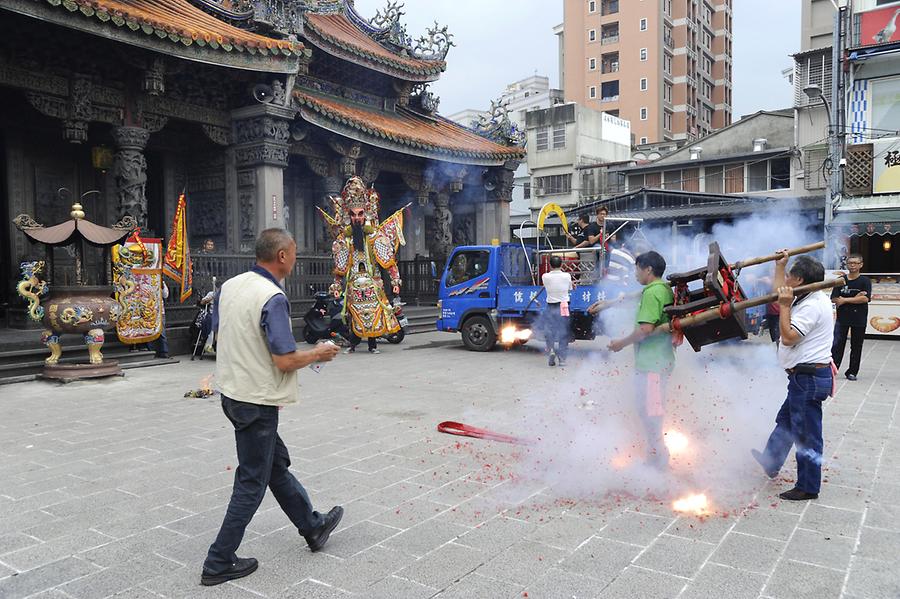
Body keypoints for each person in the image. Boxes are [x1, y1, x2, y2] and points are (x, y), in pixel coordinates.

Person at [201, 228, 343, 586]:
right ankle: (218, 561)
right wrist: (319, 353)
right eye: (293, 252)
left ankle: (312, 527)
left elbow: (222, 333)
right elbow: (283, 359)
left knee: (274, 465)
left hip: (233, 391)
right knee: (252, 481)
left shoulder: (230, 286)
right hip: (257, 398)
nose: (295, 259)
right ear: (282, 256)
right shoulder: (272, 296)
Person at [752, 253, 833, 501]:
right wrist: (780, 265)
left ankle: (808, 487)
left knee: (806, 433)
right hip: (802, 377)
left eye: (788, 275)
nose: (785, 280)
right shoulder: (807, 295)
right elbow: (780, 292)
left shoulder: (811, 306)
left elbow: (788, 337)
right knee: (786, 421)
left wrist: (785, 307)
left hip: (808, 378)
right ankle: (771, 460)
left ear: (799, 280)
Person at [321, 176, 406, 355]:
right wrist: (336, 284)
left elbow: (389, 261)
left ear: (366, 214)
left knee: (374, 314)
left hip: (373, 285)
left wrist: (395, 281)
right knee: (353, 316)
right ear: (348, 216)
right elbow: (339, 267)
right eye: (353, 215)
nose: (357, 218)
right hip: (353, 285)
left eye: (360, 214)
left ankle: (372, 346)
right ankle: (353, 345)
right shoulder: (344, 240)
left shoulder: (376, 237)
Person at [608, 251, 675, 468]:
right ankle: (655, 453)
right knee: (648, 409)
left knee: (651, 412)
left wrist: (621, 343)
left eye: (637, 268)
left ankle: (658, 457)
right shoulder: (663, 289)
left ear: (648, 269)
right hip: (658, 362)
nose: (635, 273)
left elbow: (646, 328)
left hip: (652, 365)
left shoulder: (652, 293)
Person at [831, 253, 871, 381]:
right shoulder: (840, 280)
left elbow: (865, 298)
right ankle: (833, 369)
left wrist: (845, 300)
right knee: (837, 345)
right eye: (850, 263)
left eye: (855, 263)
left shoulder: (865, 281)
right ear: (846, 264)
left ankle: (852, 372)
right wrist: (855, 297)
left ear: (861, 265)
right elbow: (834, 298)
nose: (852, 265)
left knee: (856, 345)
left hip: (859, 318)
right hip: (842, 318)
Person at [542, 255, 574, 367]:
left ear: (550, 265)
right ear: (561, 264)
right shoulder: (567, 276)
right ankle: (562, 359)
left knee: (550, 331)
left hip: (551, 306)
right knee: (563, 332)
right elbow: (570, 288)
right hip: (563, 306)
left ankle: (551, 350)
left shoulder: (545, 276)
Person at [150, 281, 170, 358]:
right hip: (149, 310)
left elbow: (165, 295)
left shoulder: (162, 282)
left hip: (160, 311)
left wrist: (162, 286)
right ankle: (151, 350)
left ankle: (164, 351)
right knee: (150, 330)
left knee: (162, 331)